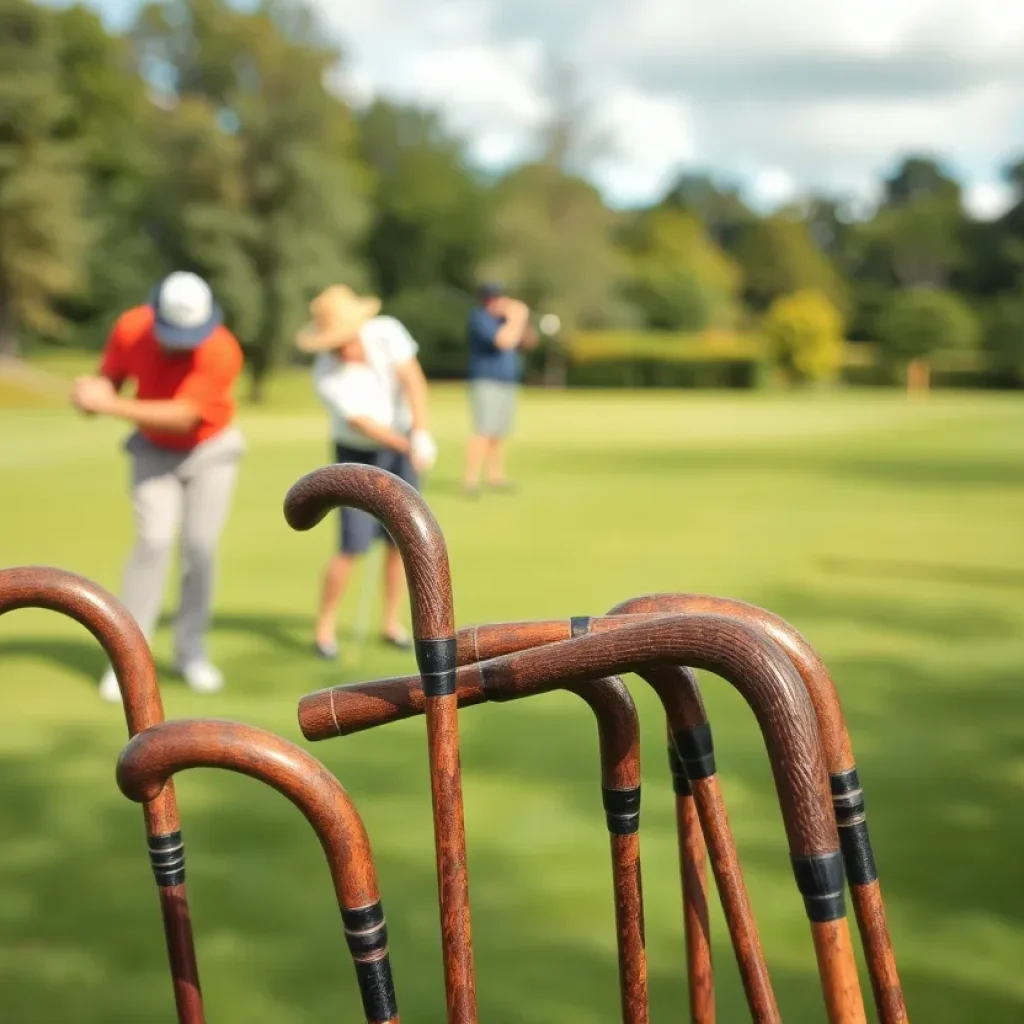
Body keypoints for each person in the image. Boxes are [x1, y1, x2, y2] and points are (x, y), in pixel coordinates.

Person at [70, 271, 245, 701]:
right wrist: (92, 395)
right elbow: (109, 378)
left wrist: (108, 405)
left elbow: (184, 416)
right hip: (152, 451)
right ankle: (129, 657)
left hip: (211, 450)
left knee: (200, 547)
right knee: (153, 542)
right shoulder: (131, 328)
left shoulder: (222, 348)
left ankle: (191, 651)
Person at [295, 284, 438, 660]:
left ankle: (391, 622)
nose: (342, 347)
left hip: (405, 437)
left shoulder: (387, 332)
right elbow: (363, 424)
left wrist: (421, 432)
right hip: (356, 454)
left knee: (400, 539)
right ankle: (324, 628)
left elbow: (412, 379)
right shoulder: (327, 375)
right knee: (352, 544)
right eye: (333, 341)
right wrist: (405, 444)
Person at [462, 282, 536, 495]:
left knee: (499, 432)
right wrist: (517, 318)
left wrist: (521, 320)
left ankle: (495, 476)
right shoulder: (479, 318)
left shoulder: (503, 319)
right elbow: (503, 341)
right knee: (483, 431)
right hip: (486, 380)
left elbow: (528, 342)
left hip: (507, 380)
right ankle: (470, 480)